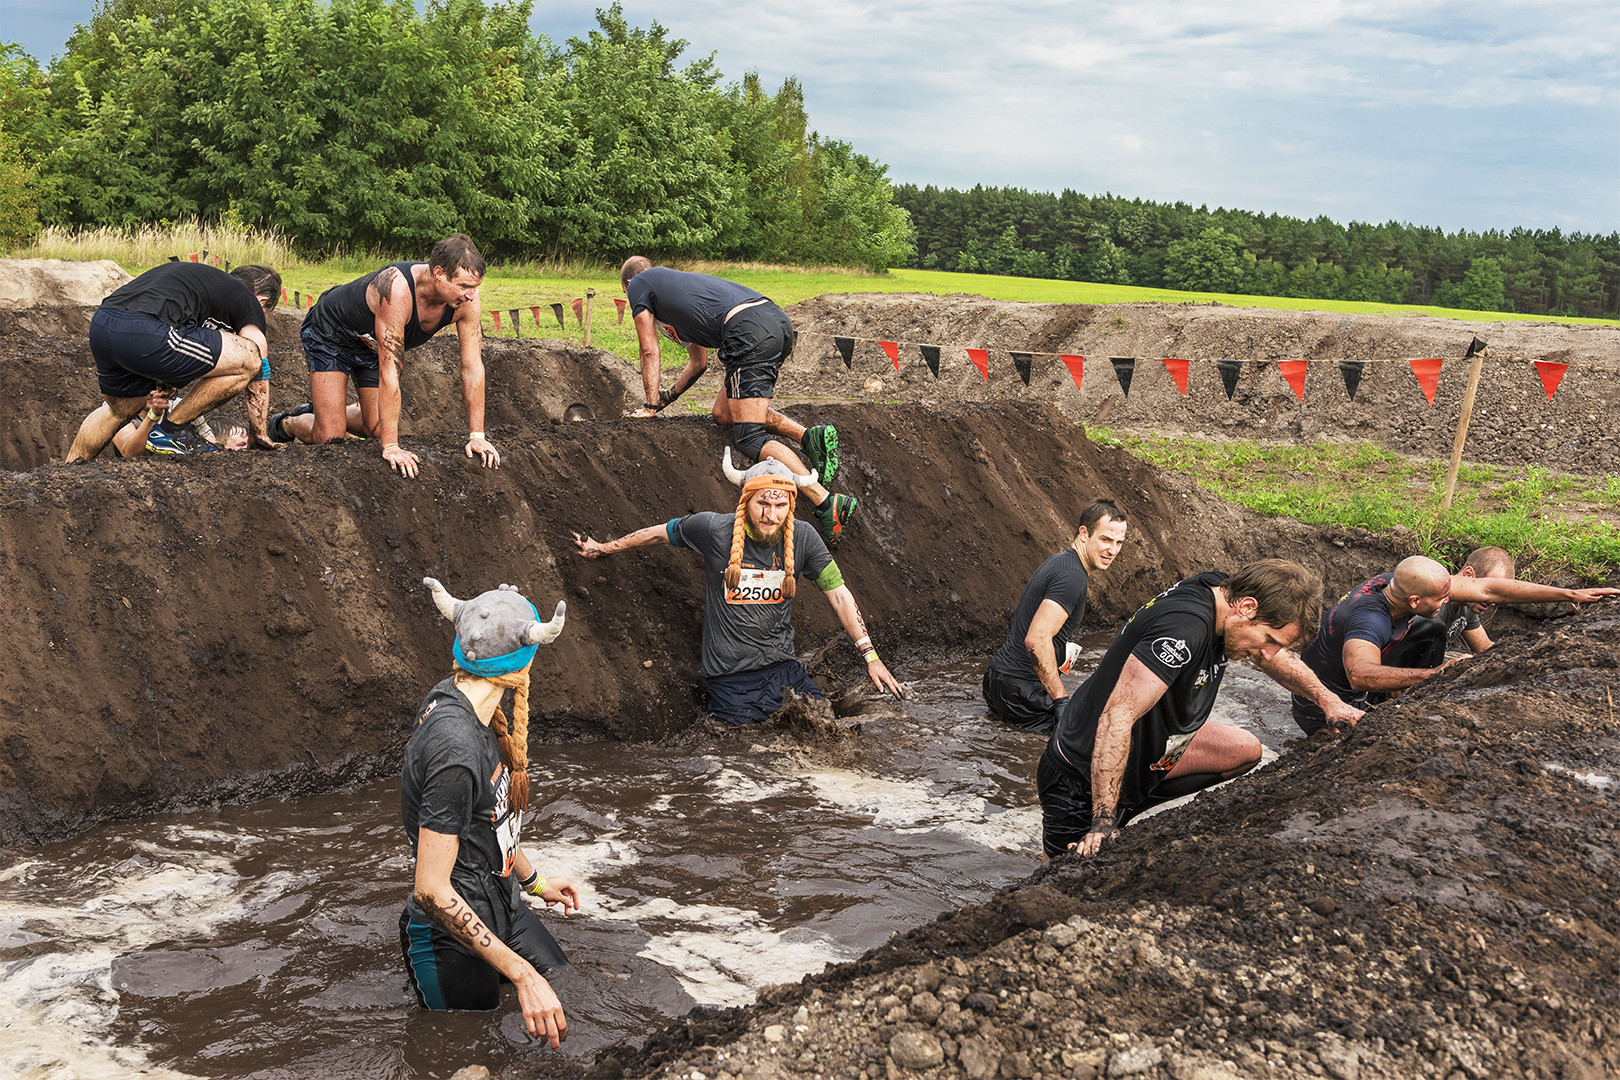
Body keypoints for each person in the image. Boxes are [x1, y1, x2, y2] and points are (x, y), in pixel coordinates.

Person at [1038, 559, 1365, 859]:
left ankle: (1130, 804)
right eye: (1268, 639)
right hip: (1082, 772)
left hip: (1147, 754)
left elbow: (1274, 658)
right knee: (1061, 871)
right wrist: (1103, 822)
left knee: (1245, 750)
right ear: (1247, 607)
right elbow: (1116, 718)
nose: (1268, 654)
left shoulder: (1226, 592)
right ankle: (1108, 815)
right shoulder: (1183, 630)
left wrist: (1328, 701)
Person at [572, 450, 904, 725]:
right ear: (746, 501)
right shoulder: (714, 529)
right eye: (763, 504)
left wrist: (870, 656)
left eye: (780, 506)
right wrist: (604, 548)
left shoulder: (804, 537)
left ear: (791, 505)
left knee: (825, 729)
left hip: (784, 670)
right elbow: (660, 532)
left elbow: (838, 593)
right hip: (730, 679)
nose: (771, 515)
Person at [400, 578, 577, 1047]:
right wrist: (522, 976)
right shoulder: (455, 747)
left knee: (568, 992)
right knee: (464, 1050)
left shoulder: (471, 703)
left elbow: (490, 818)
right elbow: (431, 891)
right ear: (522, 665)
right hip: (448, 937)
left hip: (501, 903)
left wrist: (534, 881)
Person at [618, 257, 855, 546]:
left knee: (749, 437)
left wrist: (650, 407)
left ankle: (826, 501)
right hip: (773, 321)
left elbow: (648, 349)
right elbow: (698, 363)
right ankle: (808, 437)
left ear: (629, 285)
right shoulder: (679, 291)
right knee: (724, 413)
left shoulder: (640, 284)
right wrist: (667, 399)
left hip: (747, 331)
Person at [1291, 554, 1620, 734]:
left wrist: (1569, 594)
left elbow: (1489, 589)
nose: (1448, 603)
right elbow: (1360, 674)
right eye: (1441, 599)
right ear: (1416, 600)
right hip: (1324, 706)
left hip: (1351, 687)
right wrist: (1437, 673)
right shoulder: (1370, 619)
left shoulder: (1401, 584)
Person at [272, 234, 499, 479]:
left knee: (378, 428)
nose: (471, 295)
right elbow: (389, 372)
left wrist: (478, 437)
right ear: (439, 274)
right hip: (332, 334)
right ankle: (286, 422)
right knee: (329, 437)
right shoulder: (396, 289)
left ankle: (324, 408)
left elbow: (472, 367)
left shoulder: (467, 303)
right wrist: (391, 447)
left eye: (475, 287)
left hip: (371, 344)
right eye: (464, 286)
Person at [66, 262, 281, 460]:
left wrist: (165, 378)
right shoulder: (246, 298)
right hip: (147, 328)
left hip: (103, 323)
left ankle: (67, 472)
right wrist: (258, 434)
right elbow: (258, 355)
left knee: (119, 410)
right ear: (261, 301)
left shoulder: (204, 285)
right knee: (249, 359)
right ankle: (169, 430)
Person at [982, 500, 1128, 734]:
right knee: (1080, 742)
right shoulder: (1072, 578)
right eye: (1106, 540)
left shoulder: (1060, 562)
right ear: (1084, 533)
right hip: (1021, 691)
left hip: (999, 681)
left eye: (1119, 542)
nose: (1113, 550)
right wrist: (1060, 700)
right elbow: (1037, 639)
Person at [109, 389, 250, 457]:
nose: (152, 392)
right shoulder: (116, 409)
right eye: (144, 385)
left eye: (156, 385)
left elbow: (209, 441)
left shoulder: (179, 405)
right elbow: (129, 453)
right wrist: (152, 417)